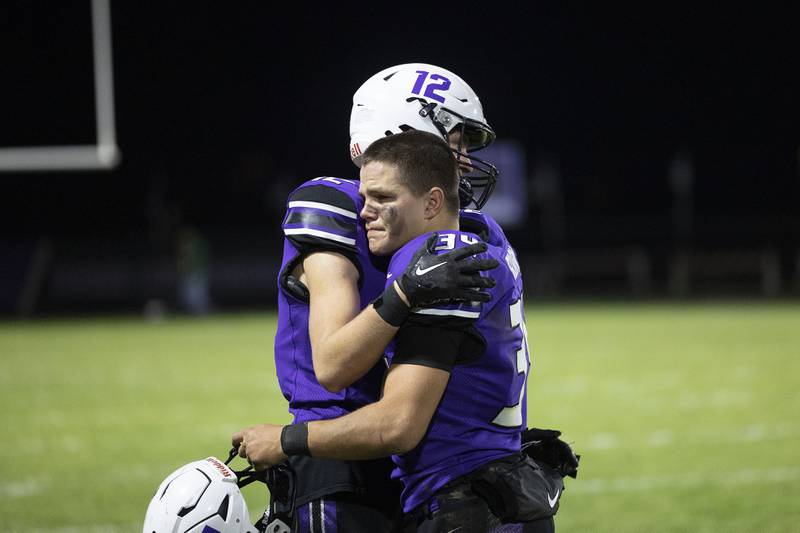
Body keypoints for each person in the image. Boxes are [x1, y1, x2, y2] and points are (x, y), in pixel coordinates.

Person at [235, 131, 562, 532]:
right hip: (495, 488)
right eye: (365, 197)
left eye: (384, 198)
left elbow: (397, 424)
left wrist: (285, 441)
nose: (364, 212)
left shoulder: (439, 258)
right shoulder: (483, 237)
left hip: (470, 504)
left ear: (432, 201)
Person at [265, 64, 503, 532]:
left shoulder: (454, 235)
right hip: (337, 453)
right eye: (455, 144)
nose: (466, 162)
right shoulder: (336, 207)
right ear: (406, 135)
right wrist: (403, 293)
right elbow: (333, 368)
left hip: (412, 453)